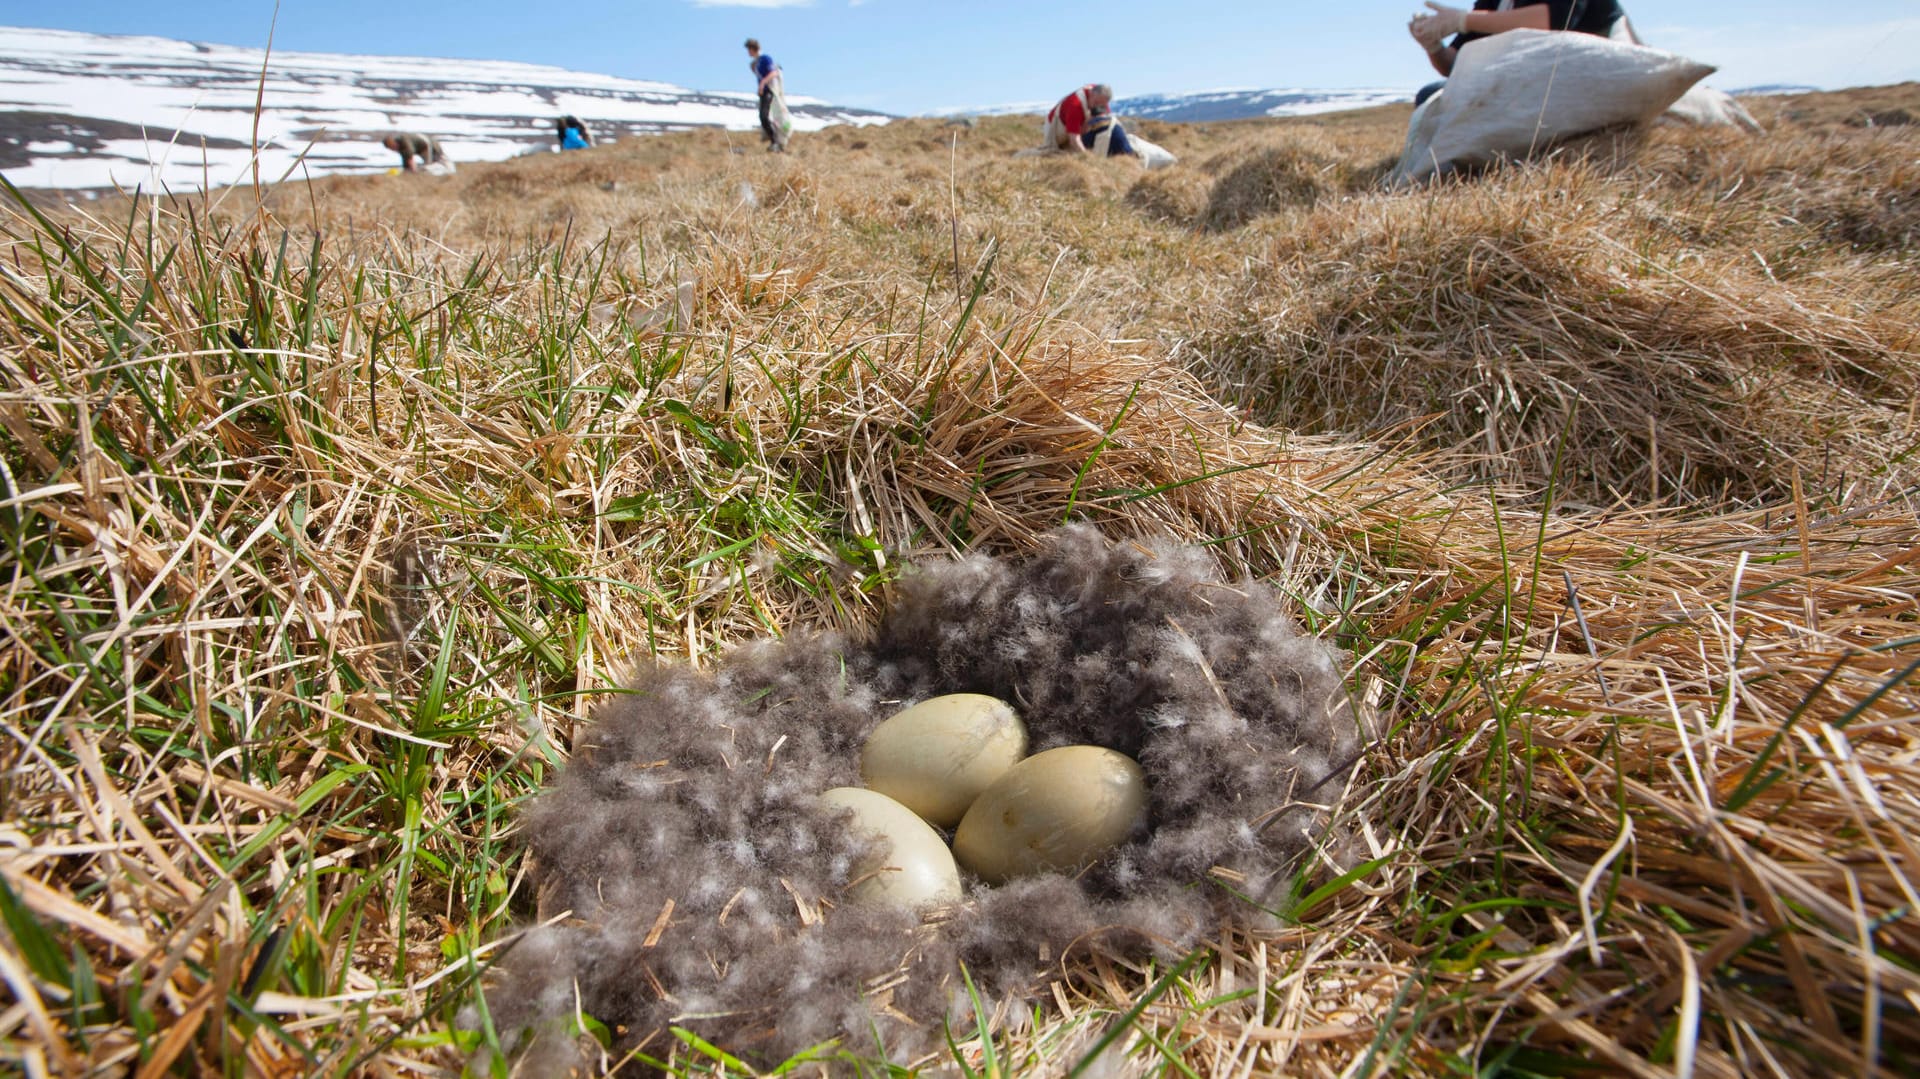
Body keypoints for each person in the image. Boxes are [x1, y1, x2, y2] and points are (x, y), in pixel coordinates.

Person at [1409, 0, 1627, 104]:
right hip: (1523, 87)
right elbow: (1454, 65)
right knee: (1431, 96)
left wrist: (1464, 20)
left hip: (1580, 80)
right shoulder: (1492, 3)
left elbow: (1551, 21)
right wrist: (1433, 45)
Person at [744, 38, 787, 152]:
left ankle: (776, 142)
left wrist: (762, 84)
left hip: (769, 91)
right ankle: (774, 142)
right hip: (764, 92)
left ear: (753, 49)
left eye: (749, 50)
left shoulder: (765, 59)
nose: (748, 53)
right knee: (764, 117)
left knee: (764, 116)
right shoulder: (757, 62)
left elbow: (773, 73)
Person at [1043, 83, 1113, 154]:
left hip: (1078, 121)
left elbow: (1107, 119)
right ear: (1091, 93)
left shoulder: (1101, 95)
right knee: (1055, 152)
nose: (1097, 107)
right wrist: (1086, 157)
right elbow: (1074, 138)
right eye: (1096, 103)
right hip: (1056, 127)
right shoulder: (1075, 105)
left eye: (1102, 105)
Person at [383, 132, 447, 172]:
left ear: (394, 143)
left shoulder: (404, 141)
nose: (394, 150)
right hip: (422, 149)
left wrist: (414, 170)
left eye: (392, 147)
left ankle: (445, 167)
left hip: (428, 146)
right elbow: (406, 160)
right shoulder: (400, 148)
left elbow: (410, 156)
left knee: (429, 167)